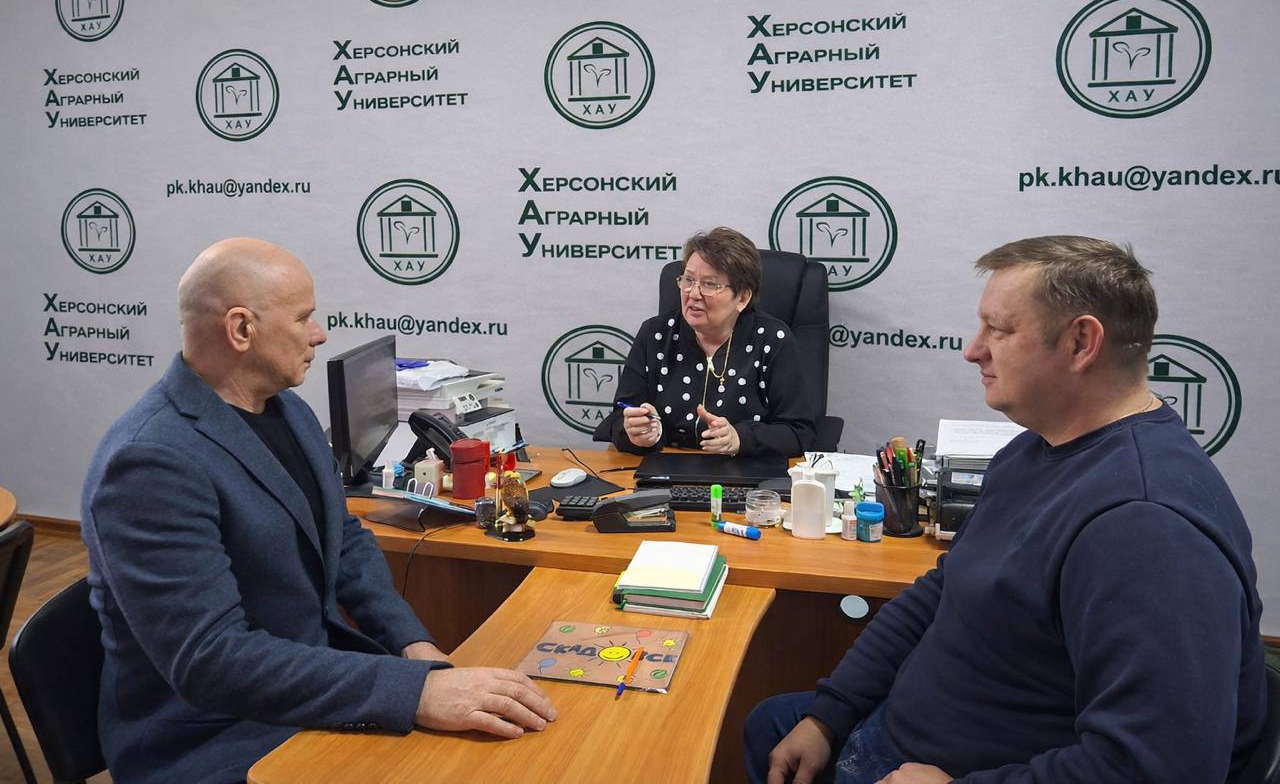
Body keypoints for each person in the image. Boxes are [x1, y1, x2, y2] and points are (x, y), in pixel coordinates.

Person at [745, 236, 1266, 783]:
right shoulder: (1035, 447)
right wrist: (830, 712)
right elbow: (942, 591)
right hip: (904, 730)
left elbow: (1160, 767)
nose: (973, 350)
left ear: (1081, 343)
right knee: (771, 727)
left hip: (957, 770)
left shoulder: (1147, 526)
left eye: (998, 329)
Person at [81, 238, 556, 783]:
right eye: (302, 318)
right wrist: (417, 692)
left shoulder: (286, 410)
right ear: (241, 329)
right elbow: (210, 659)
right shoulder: (149, 462)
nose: (320, 333)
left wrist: (413, 645)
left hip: (302, 692)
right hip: (214, 737)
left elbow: (344, 540)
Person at [594, 227, 817, 457]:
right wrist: (637, 432)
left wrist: (740, 439)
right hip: (667, 469)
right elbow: (621, 416)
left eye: (710, 284)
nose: (693, 293)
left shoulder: (771, 339)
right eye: (689, 280)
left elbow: (798, 432)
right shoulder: (656, 334)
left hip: (745, 472)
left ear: (742, 297)